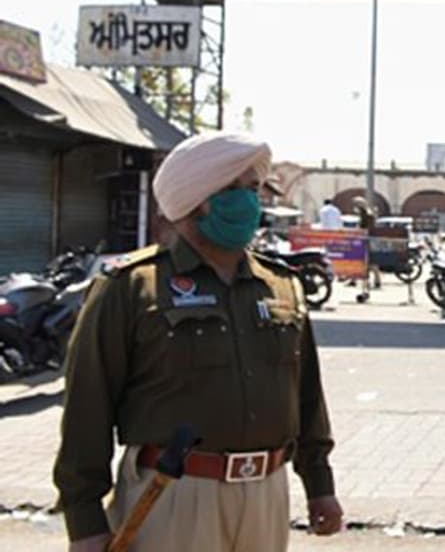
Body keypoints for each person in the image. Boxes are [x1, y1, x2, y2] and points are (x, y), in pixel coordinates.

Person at [54, 131, 342, 552]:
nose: (247, 202)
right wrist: (85, 523)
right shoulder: (132, 287)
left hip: (266, 492)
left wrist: (319, 484)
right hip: (174, 493)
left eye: (252, 188)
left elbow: (306, 396)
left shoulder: (280, 285)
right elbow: (87, 408)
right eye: (230, 189)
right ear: (193, 199)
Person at [352, 196, 381, 292]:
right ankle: (376, 280)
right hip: (369, 241)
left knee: (365, 260)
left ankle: (357, 279)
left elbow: (364, 229)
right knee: (370, 261)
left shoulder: (366, 215)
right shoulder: (368, 214)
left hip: (366, 241)